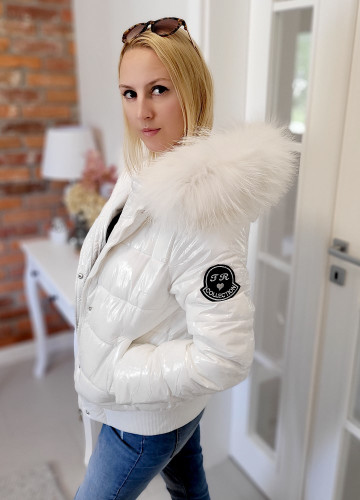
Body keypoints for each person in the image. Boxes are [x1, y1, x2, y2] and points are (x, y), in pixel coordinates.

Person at [74, 17, 296, 500]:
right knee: (191, 492)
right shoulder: (143, 168)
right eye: (129, 93)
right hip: (165, 408)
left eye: (159, 89)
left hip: (141, 425)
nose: (141, 112)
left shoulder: (203, 213)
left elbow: (226, 356)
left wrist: (110, 371)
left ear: (192, 91)